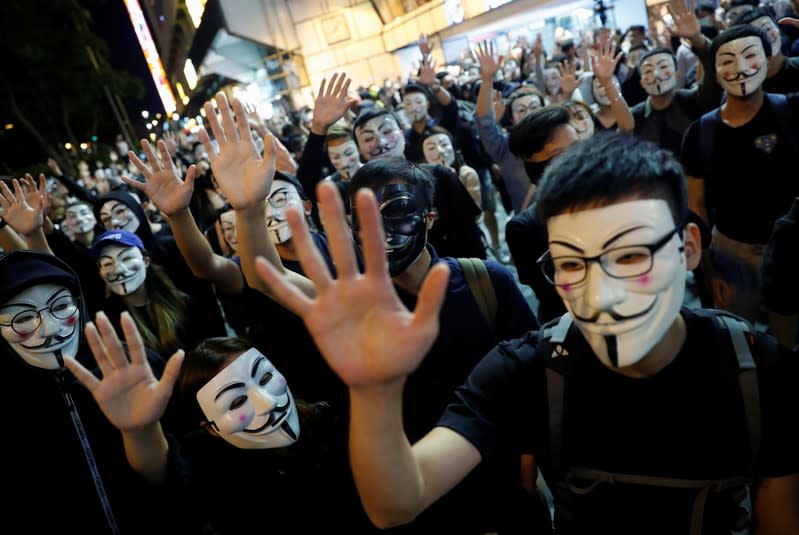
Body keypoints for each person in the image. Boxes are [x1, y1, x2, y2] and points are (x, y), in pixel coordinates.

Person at [253, 131, 799, 534]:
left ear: (690, 249)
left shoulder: (756, 368)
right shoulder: (528, 369)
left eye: (630, 255)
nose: (601, 292)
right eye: (571, 264)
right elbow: (396, 501)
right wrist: (374, 390)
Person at [0, 249, 183, 533]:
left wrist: (142, 433)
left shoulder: (134, 369)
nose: (49, 328)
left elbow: (176, 481)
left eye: (61, 307)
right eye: (22, 319)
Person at [682, 24, 799, 323]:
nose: (741, 69)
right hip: (732, 253)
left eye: (750, 56)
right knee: (741, 335)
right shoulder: (699, 133)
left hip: (792, 246)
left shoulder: (792, 109)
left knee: (789, 337)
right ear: (716, 70)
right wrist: (709, 271)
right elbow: (696, 208)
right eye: (728, 61)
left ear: (769, 56)